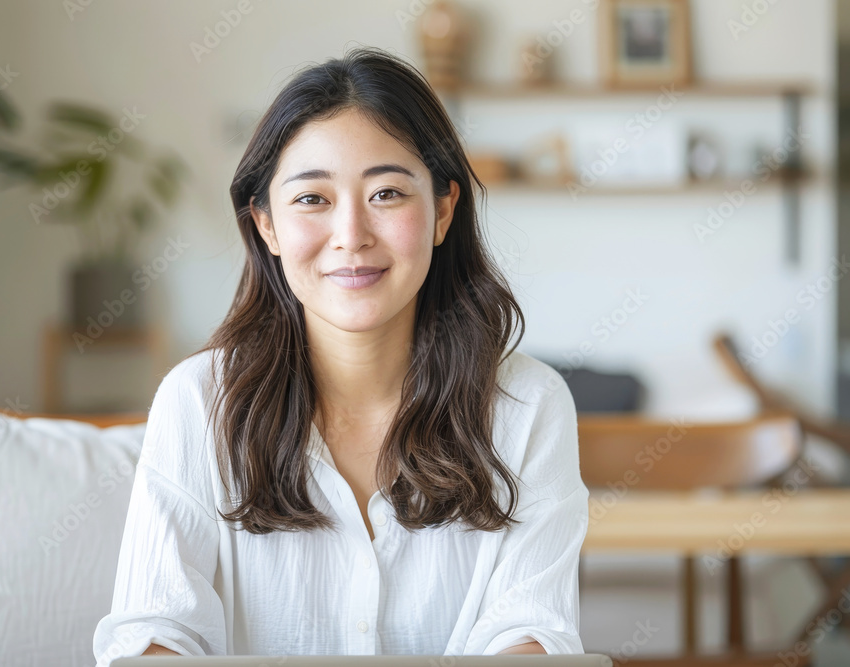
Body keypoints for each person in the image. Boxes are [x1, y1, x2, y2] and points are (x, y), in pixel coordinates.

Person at [92, 45, 589, 665]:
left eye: (387, 193)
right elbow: (155, 634)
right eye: (312, 199)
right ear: (266, 225)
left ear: (442, 211)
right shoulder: (199, 400)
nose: (351, 235)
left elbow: (531, 632)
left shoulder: (528, 404)